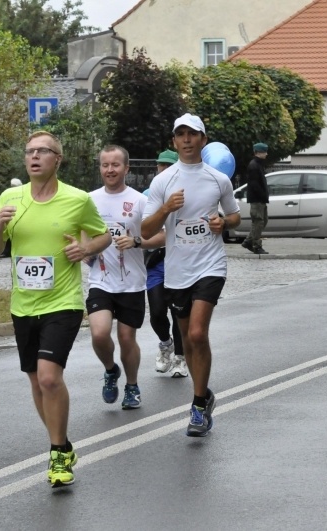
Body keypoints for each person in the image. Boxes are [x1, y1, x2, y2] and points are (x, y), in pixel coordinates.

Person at [0, 131, 111, 487]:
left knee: (50, 377)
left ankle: (56, 454)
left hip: (62, 302)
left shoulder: (77, 199)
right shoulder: (11, 197)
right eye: (30, 151)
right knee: (38, 383)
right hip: (23, 304)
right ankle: (64, 445)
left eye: (43, 151)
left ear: (58, 159)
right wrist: (1, 226)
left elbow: (102, 235)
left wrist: (85, 250)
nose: (35, 156)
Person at [142, 113, 241, 436]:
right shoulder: (163, 181)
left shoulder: (217, 179)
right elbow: (145, 229)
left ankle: (198, 404)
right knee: (187, 336)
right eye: (180, 134)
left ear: (202, 139)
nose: (186, 140)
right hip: (177, 271)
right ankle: (204, 395)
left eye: (192, 134)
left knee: (198, 334)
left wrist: (222, 223)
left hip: (210, 265)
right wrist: (166, 210)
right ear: (174, 141)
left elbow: (236, 216)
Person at [86, 145, 166, 410]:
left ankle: (132, 386)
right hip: (100, 280)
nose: (110, 170)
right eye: (105, 165)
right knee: (98, 334)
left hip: (131, 281)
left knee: (126, 338)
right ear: (100, 168)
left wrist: (136, 242)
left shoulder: (140, 201)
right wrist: (86, 249)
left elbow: (163, 235)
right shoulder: (90, 200)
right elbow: (81, 230)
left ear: (126, 168)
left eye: (115, 165)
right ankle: (111, 370)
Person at [147, 149, 187, 377]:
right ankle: (165, 344)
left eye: (168, 166)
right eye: (160, 166)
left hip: (179, 262)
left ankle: (180, 359)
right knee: (156, 312)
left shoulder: (185, 196)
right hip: (155, 264)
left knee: (179, 314)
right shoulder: (148, 194)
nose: (163, 170)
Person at [242, 142, 270, 255]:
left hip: (260, 199)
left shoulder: (258, 164)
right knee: (258, 222)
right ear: (259, 152)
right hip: (257, 199)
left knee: (262, 221)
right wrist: (262, 195)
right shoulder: (254, 165)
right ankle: (256, 245)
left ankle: (248, 241)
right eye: (265, 152)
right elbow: (254, 184)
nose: (267, 154)